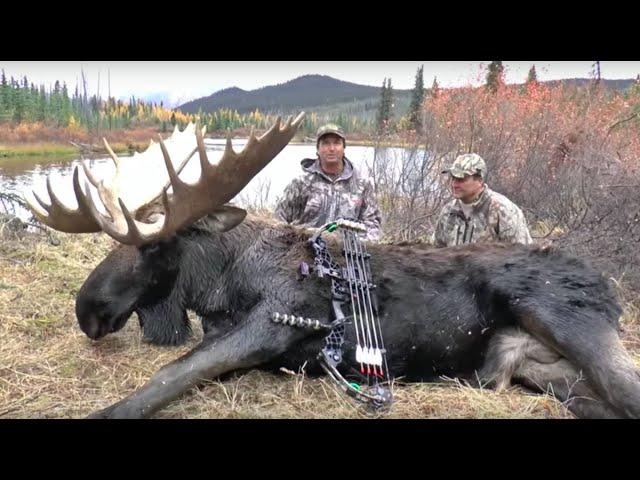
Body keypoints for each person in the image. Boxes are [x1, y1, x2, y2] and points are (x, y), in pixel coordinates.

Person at [275, 123, 382, 242]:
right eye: (325, 143)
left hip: (347, 255)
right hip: (306, 254)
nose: (331, 148)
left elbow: (373, 225)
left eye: (337, 143)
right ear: (318, 149)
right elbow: (278, 222)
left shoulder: (362, 185)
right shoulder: (301, 184)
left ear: (343, 148)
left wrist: (359, 243)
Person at [432, 153, 532, 247]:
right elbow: (438, 252)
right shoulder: (448, 211)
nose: (454, 184)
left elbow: (523, 256)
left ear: (479, 180)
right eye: (453, 178)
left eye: (461, 179)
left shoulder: (503, 210)